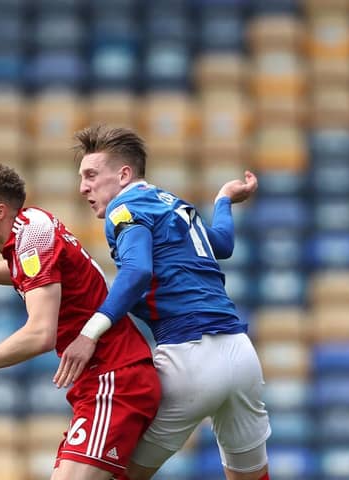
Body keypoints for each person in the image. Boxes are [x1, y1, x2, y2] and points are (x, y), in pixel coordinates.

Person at [0, 163, 161, 480]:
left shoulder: (33, 238)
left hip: (114, 379)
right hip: (107, 379)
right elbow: (30, 271)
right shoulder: (32, 224)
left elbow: (40, 334)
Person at [53, 125, 271, 480]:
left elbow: (137, 271)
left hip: (190, 355)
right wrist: (224, 200)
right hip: (241, 354)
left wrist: (90, 332)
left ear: (124, 174)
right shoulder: (174, 204)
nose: (83, 188)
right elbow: (223, 244)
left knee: (109, 474)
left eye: (92, 175)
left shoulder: (124, 207)